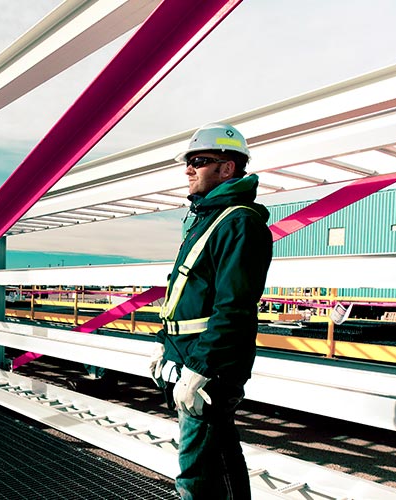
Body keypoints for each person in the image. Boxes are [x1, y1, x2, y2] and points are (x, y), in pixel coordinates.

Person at [149, 122, 273, 499]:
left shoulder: (239, 224)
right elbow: (188, 294)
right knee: (218, 457)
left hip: (208, 365)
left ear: (227, 168)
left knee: (196, 474)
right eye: (188, 162)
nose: (188, 169)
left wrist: (202, 368)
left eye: (198, 161)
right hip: (189, 356)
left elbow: (233, 307)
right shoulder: (208, 218)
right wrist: (165, 345)